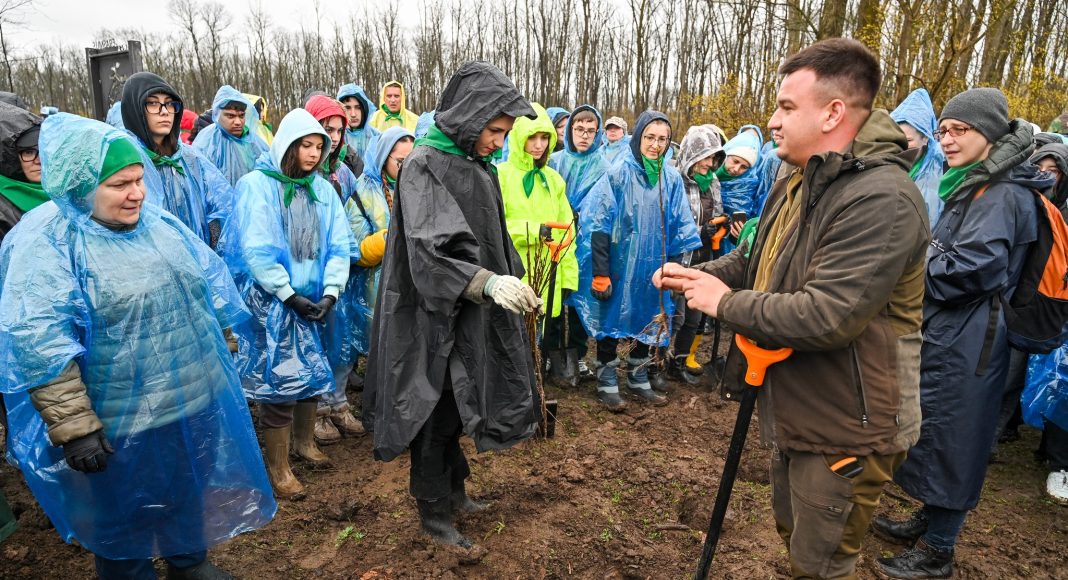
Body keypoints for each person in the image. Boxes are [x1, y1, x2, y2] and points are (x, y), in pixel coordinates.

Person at [655, 38, 929, 579]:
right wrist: (702, 276)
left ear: (832, 113)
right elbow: (758, 257)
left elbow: (829, 315)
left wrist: (725, 303)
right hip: (801, 405)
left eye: (786, 107)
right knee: (797, 540)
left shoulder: (881, 198)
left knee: (821, 564)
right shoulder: (797, 178)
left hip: (848, 421)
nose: (773, 122)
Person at [0, 113, 275, 580]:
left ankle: (189, 563)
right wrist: (75, 425)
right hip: (118, 417)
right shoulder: (48, 242)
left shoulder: (158, 225)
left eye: (138, 179)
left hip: (191, 397)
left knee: (188, 489)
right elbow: (38, 340)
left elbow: (206, 291)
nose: (137, 194)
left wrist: (224, 351)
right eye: (119, 185)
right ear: (81, 185)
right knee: (122, 513)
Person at [362, 61, 541, 548]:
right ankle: (434, 512)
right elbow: (429, 251)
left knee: (462, 405)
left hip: (470, 308)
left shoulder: (476, 165)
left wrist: (514, 278)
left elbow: (491, 237)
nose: (499, 143)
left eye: (505, 134)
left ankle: (456, 491)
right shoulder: (423, 164)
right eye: (495, 131)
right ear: (469, 116)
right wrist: (487, 282)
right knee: (434, 411)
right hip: (429, 315)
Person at [876, 88, 1046, 578]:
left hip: (974, 339)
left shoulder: (1002, 193)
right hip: (955, 332)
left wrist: (913, 264)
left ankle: (939, 550)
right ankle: (930, 521)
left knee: (956, 439)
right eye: (943, 130)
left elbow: (973, 270)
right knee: (938, 430)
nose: (947, 139)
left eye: (960, 130)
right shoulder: (977, 182)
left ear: (988, 134)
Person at [222, 108, 355, 500]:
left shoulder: (322, 190)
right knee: (279, 381)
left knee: (312, 370)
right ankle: (278, 467)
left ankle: (304, 443)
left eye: (318, 147)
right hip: (272, 303)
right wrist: (287, 294)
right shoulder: (257, 186)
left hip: (315, 300)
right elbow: (257, 248)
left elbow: (339, 245)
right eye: (305, 145)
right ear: (286, 145)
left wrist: (330, 291)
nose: (313, 154)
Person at [573, 110, 702, 411]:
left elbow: (681, 227)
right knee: (610, 319)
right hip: (618, 266)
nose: (656, 145)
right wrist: (600, 271)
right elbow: (598, 224)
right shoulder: (618, 173)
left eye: (663, 139)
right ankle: (606, 378)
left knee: (649, 317)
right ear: (638, 138)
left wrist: (675, 269)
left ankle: (638, 375)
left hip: (654, 267)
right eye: (650, 137)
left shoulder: (670, 179)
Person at [301, 94, 368, 445]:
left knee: (342, 339)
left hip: (343, 266)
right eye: (326, 129)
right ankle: (318, 410)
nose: (334, 137)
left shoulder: (343, 172)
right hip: (311, 268)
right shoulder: (300, 176)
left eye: (339, 130)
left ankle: (339, 401)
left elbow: (355, 212)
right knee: (316, 340)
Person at [498, 103, 579, 387]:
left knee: (537, 337)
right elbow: (496, 226)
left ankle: (531, 388)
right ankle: (509, 389)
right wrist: (535, 231)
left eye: (545, 138)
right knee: (509, 338)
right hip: (513, 272)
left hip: (546, 275)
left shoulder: (553, 180)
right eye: (532, 137)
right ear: (519, 136)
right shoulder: (501, 175)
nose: (539, 145)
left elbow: (567, 230)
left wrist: (568, 276)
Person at [120, 72, 234, 249]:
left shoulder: (190, 159)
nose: (164, 111)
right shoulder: (124, 160)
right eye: (153, 103)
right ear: (135, 110)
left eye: (169, 104)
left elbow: (219, 205)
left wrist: (213, 247)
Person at [547, 104, 609, 382]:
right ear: (569, 129)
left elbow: (605, 206)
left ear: (598, 133)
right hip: (556, 237)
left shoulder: (604, 166)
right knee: (554, 297)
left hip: (586, 243)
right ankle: (550, 353)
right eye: (579, 129)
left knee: (581, 302)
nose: (584, 135)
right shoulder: (555, 161)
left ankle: (578, 354)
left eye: (590, 131)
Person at [347, 126, 414, 365]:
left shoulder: (419, 185)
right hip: (377, 288)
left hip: (414, 282)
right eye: (401, 162)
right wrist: (390, 240)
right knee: (384, 350)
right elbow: (356, 250)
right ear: (385, 158)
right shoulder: (364, 192)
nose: (407, 168)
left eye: (412, 161)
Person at [671, 124, 726, 384]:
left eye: (713, 158)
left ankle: (678, 363)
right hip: (678, 257)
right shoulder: (674, 180)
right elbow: (670, 222)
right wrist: (699, 231)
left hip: (702, 258)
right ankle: (654, 363)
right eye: (705, 157)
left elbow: (717, 212)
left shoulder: (712, 181)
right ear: (692, 155)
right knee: (676, 316)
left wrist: (720, 225)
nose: (709, 164)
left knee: (694, 317)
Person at [193, 86, 269, 186]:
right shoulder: (207, 141)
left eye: (241, 116)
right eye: (230, 116)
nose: (238, 122)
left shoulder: (253, 141)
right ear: (217, 114)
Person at [891, 88, 946, 226]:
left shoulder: (941, 165)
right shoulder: (883, 160)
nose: (901, 146)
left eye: (909, 140)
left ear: (925, 138)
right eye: (896, 139)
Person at [0, 101, 45, 242]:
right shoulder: (3, 208)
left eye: (42, 150)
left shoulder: (73, 191)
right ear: (14, 160)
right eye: (28, 152)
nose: (39, 160)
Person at [337, 83, 381, 160]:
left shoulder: (376, 136)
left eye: (358, 107)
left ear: (364, 109)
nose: (353, 114)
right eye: (347, 108)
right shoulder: (336, 137)